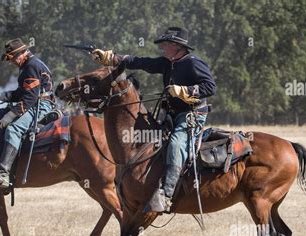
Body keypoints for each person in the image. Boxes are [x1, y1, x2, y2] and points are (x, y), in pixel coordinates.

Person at [91, 27, 217, 212]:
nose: (163, 48)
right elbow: (141, 62)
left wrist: (185, 91)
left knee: (175, 144)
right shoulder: (168, 62)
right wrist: (112, 58)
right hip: (171, 115)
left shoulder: (193, 63)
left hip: (191, 115)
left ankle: (166, 194)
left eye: (166, 44)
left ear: (176, 46)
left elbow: (210, 87)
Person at [0, 38, 55, 188]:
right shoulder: (29, 65)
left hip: (42, 105)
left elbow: (30, 97)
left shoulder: (31, 66)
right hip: (35, 102)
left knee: (14, 129)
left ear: (22, 53)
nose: (12, 61)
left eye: (13, 58)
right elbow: (25, 91)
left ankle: (3, 174)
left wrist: (12, 114)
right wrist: (8, 96)